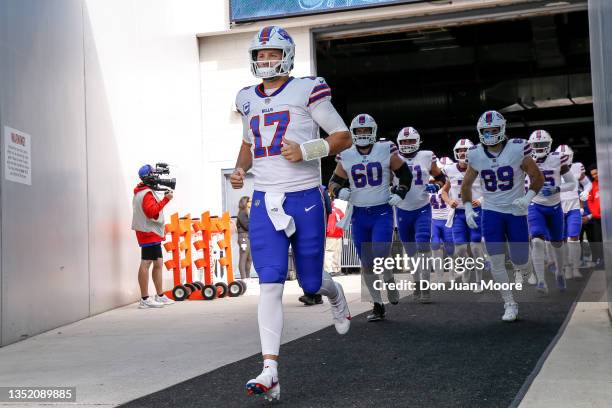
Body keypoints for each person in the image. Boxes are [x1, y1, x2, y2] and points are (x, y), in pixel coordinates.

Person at [230, 25, 352, 401]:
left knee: (311, 283)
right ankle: (271, 369)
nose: (265, 60)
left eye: (271, 54)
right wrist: (239, 169)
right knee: (268, 283)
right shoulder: (246, 97)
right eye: (260, 55)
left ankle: (336, 296)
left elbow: (342, 136)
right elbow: (249, 141)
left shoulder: (306, 89)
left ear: (286, 55)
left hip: (306, 198)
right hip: (266, 199)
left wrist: (307, 150)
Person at [461, 110, 543, 322]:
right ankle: (509, 303)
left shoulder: (517, 148)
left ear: (502, 129)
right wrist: (468, 207)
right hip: (491, 213)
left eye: (493, 130)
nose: (489, 134)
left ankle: (526, 267)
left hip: (516, 211)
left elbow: (537, 176)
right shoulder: (476, 154)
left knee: (520, 259)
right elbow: (466, 184)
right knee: (495, 260)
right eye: (485, 131)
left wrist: (528, 197)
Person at [330, 113, 412, 321]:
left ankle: (389, 279)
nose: (364, 134)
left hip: (381, 211)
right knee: (366, 263)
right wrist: (339, 191)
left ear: (374, 131)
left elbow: (405, 173)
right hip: (358, 214)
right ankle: (377, 304)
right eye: (360, 130)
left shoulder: (385, 149)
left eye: (367, 130)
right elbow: (333, 182)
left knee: (380, 255)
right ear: (354, 133)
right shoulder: (346, 155)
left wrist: (400, 192)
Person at [394, 126, 446, 303]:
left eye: (410, 141)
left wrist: (436, 186)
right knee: (410, 252)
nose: (407, 144)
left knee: (423, 245)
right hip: (402, 209)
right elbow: (385, 180)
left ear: (417, 142)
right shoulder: (393, 157)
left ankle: (425, 285)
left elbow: (441, 178)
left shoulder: (426, 156)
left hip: (422, 207)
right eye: (404, 141)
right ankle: (416, 281)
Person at [526, 130, 576, 294]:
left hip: (555, 207)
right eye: (536, 145)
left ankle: (560, 272)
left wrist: (557, 188)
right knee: (537, 241)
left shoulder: (558, 159)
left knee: (557, 244)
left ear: (549, 144)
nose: (539, 148)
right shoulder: (525, 161)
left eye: (542, 144)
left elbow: (572, 183)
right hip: (535, 206)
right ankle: (541, 281)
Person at [441, 139, 486, 291]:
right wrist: (449, 201)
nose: (462, 153)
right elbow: (444, 191)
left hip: (475, 212)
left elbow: (490, 189)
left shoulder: (479, 167)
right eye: (460, 150)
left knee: (476, 248)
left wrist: (480, 200)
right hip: (459, 212)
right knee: (460, 249)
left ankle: (479, 281)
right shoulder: (450, 169)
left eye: (465, 150)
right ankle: (467, 267)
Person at [132, 164, 175, 308]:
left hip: (152, 232)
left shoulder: (144, 191)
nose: (157, 177)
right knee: (146, 263)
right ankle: (144, 299)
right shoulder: (146, 193)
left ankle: (160, 295)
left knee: (158, 263)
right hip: (147, 232)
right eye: (154, 175)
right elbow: (151, 212)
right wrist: (166, 199)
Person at [555, 144, 591, 279]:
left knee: (574, 237)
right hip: (558, 208)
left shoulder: (577, 167)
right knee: (562, 240)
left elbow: (587, 183)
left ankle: (575, 267)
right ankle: (567, 267)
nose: (563, 159)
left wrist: (586, 192)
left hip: (574, 208)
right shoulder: (552, 168)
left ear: (571, 156)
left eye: (566, 156)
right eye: (561, 156)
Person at [298, 185, 332, 306]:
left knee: (311, 260)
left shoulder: (320, 189)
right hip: (311, 226)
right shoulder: (320, 189)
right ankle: (315, 295)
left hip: (313, 227)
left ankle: (311, 295)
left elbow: (328, 209)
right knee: (309, 260)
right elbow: (328, 209)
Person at [429, 157, 456, 284]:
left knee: (450, 248)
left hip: (447, 219)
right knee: (435, 246)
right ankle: (439, 275)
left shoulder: (452, 183)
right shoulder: (429, 181)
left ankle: (452, 273)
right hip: (434, 220)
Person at [586, 163, 604, 268]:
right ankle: (601, 260)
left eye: (596, 173)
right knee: (598, 240)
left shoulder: (607, 182)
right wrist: (595, 213)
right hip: (598, 219)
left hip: (608, 218)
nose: (595, 176)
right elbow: (590, 201)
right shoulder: (592, 186)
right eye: (592, 174)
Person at [324, 199, 345, 275]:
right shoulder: (338, 210)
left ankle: (328, 270)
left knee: (328, 252)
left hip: (330, 234)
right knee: (337, 252)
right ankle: (336, 270)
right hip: (338, 233)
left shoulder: (325, 211)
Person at [237, 196, 253, 279]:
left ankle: (248, 277)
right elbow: (247, 226)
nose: (251, 202)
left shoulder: (247, 212)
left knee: (249, 258)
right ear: (245, 203)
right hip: (243, 237)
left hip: (248, 237)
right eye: (249, 201)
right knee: (243, 257)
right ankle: (243, 278)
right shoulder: (242, 212)